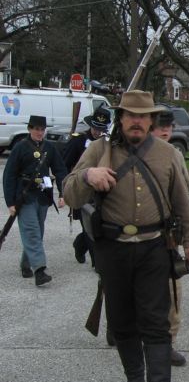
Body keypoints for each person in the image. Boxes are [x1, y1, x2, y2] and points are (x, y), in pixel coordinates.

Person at [63, 90, 189, 382]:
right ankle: (134, 379)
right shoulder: (99, 150)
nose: (136, 121)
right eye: (130, 115)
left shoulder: (168, 154)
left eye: (143, 116)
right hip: (113, 249)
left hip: (154, 247)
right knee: (122, 321)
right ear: (121, 118)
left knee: (156, 322)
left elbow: (182, 201)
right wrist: (87, 176)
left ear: (150, 120)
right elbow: (69, 192)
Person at [151, 109, 189, 367]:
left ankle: (168, 343)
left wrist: (185, 225)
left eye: (169, 126)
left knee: (172, 293)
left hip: (167, 238)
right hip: (136, 236)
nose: (165, 130)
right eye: (160, 126)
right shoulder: (131, 152)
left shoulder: (175, 155)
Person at [3, 115, 67, 286]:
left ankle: (26, 264)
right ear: (30, 129)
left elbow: (60, 170)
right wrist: (10, 202)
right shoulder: (20, 147)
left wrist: (63, 193)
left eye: (42, 129)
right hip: (24, 197)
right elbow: (9, 175)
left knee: (37, 231)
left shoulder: (49, 147)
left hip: (43, 196)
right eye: (36, 129)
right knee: (31, 231)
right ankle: (40, 270)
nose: (40, 132)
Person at [62, 106, 111, 266]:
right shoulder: (78, 140)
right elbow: (65, 166)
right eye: (95, 128)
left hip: (101, 193)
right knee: (89, 225)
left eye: (101, 129)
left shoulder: (109, 143)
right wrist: (64, 192)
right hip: (83, 190)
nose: (97, 132)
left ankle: (79, 244)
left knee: (97, 226)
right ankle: (97, 263)